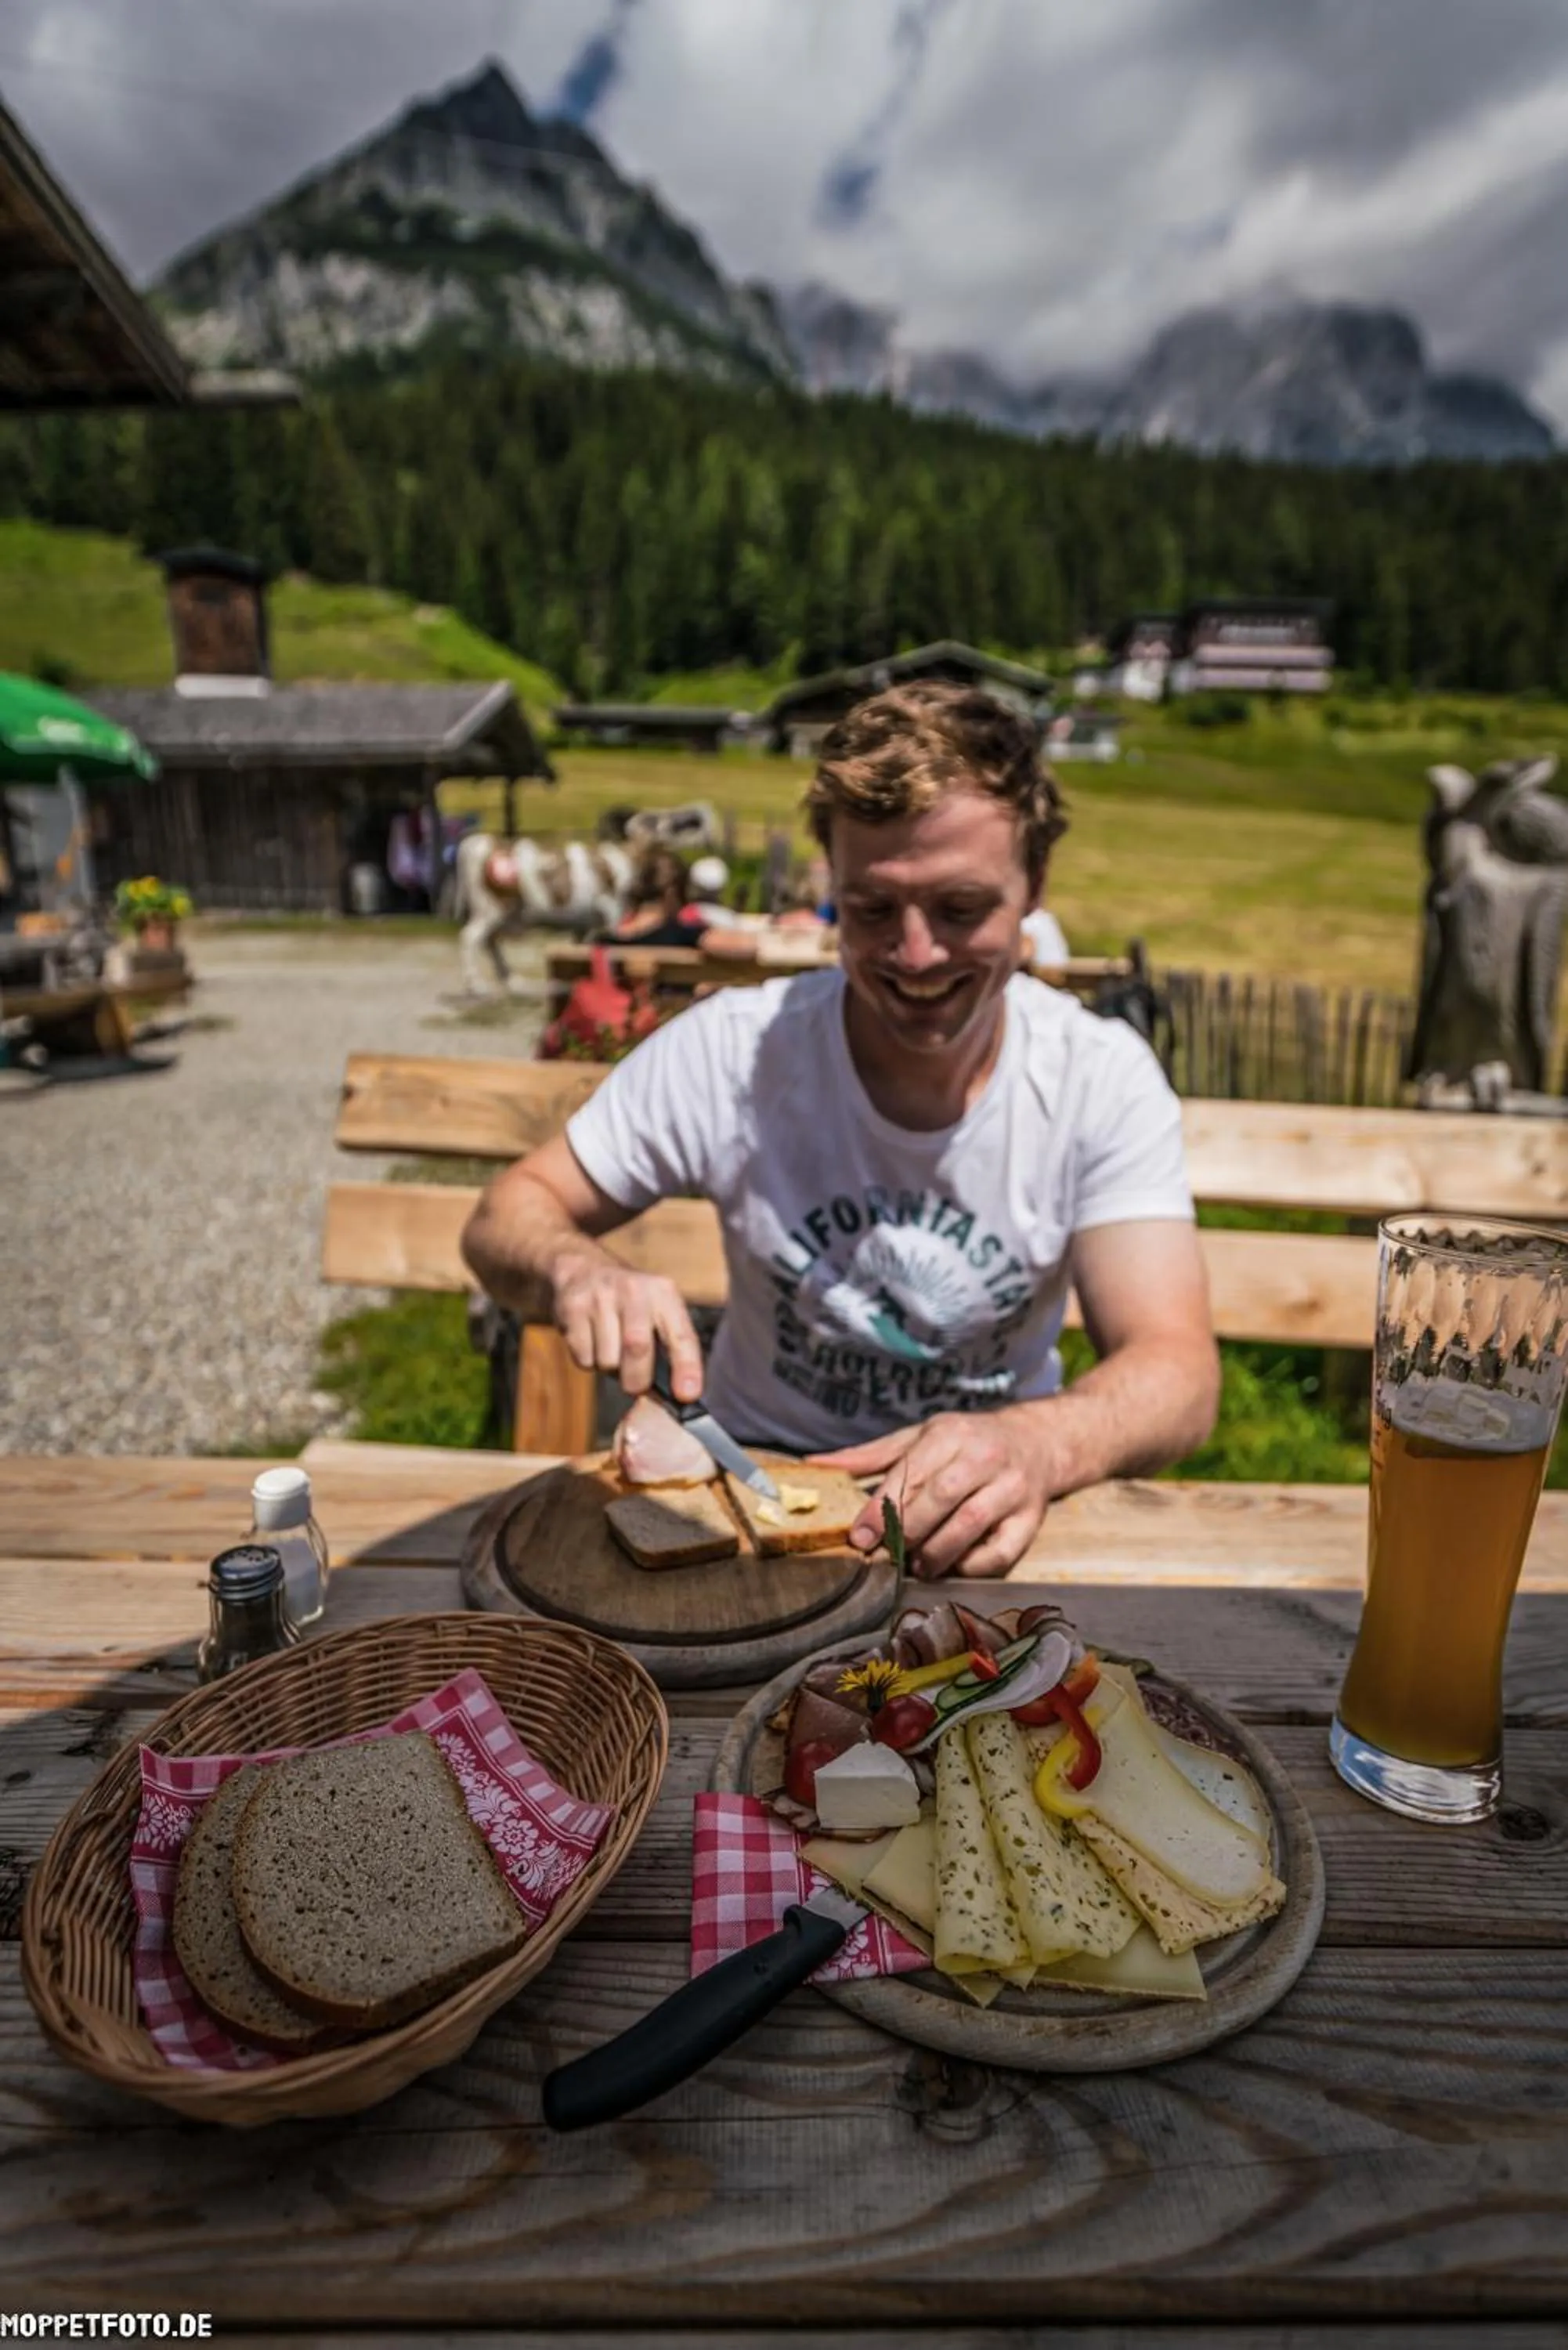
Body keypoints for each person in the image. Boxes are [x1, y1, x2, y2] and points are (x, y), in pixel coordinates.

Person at [464, 682, 1219, 1578]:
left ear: (1034, 891)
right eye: (870, 911)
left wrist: (1039, 1444)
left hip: (992, 1501)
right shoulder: (735, 1048)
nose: (916, 955)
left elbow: (1176, 1370)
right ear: (829, 880)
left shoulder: (1098, 1078)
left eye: (961, 908)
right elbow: (507, 1214)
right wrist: (574, 1267)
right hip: (746, 1495)